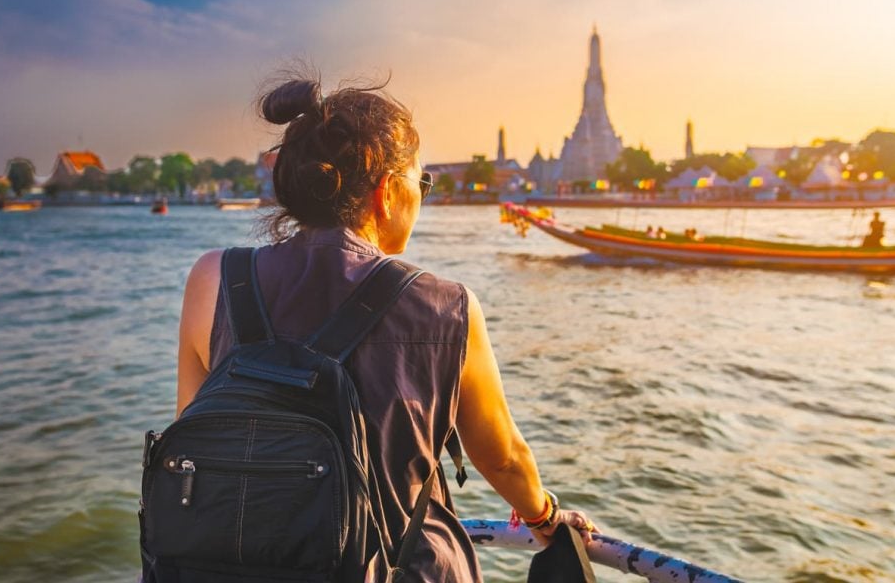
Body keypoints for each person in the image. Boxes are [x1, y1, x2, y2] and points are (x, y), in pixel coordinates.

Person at [175, 73, 597, 581]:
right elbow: (502, 457)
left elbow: (194, 433)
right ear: (388, 192)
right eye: (421, 183)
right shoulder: (447, 306)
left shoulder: (213, 279)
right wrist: (545, 517)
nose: (422, 197)